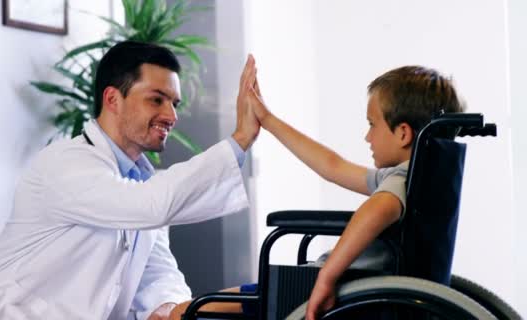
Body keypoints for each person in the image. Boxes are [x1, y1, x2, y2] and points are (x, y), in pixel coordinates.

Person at [0, 41, 260, 320]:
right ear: (113, 99)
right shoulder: (66, 164)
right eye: (157, 100)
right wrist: (241, 139)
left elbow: (155, 273)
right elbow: (151, 206)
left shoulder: (140, 181)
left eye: (174, 104)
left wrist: (168, 306)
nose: (171, 115)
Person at [170, 63, 465, 320]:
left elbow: (375, 210)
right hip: (353, 285)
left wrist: (326, 277)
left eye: (372, 125)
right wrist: (269, 120)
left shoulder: (398, 183)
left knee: (184, 313)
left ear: (402, 133)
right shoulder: (417, 177)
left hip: (328, 287)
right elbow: (332, 165)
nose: (367, 136)